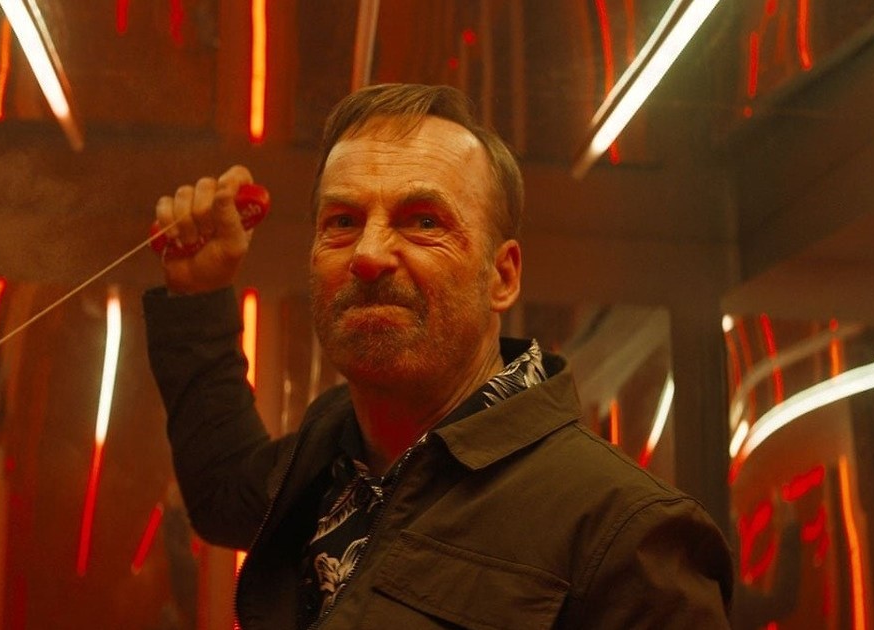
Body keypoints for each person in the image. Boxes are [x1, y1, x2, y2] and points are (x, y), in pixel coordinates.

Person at [143, 83, 733, 628]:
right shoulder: (330, 457)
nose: (368, 254)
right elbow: (224, 492)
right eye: (343, 221)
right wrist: (197, 294)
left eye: (423, 221)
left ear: (502, 276)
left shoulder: (627, 534)